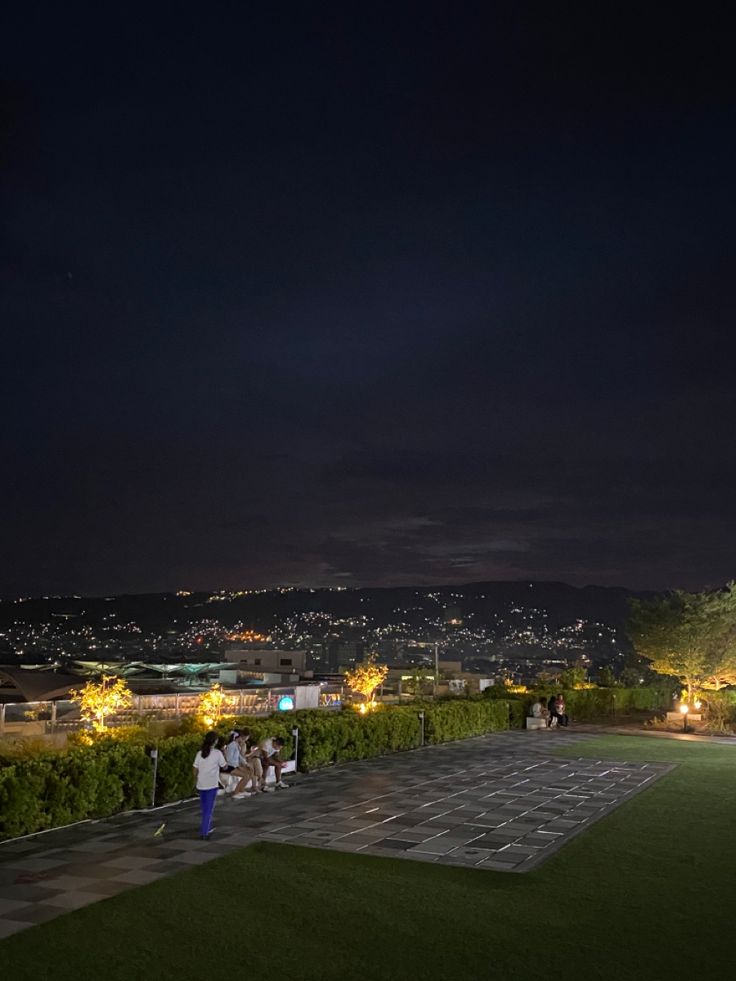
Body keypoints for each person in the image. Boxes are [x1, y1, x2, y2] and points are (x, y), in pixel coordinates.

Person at [193, 731, 227, 839]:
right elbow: (225, 766)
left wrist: (196, 778)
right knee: (208, 809)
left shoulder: (200, 753)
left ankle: (207, 827)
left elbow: (194, 769)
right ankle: (204, 832)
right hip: (211, 784)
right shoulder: (217, 753)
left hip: (201, 784)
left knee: (205, 808)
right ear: (215, 741)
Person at [223, 730, 258, 799]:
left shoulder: (236, 745)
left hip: (234, 766)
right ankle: (236, 793)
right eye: (242, 738)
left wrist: (246, 764)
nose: (243, 740)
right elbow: (229, 760)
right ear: (238, 737)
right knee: (245, 776)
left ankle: (241, 790)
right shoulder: (232, 745)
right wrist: (238, 767)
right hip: (229, 767)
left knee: (250, 771)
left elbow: (239, 756)